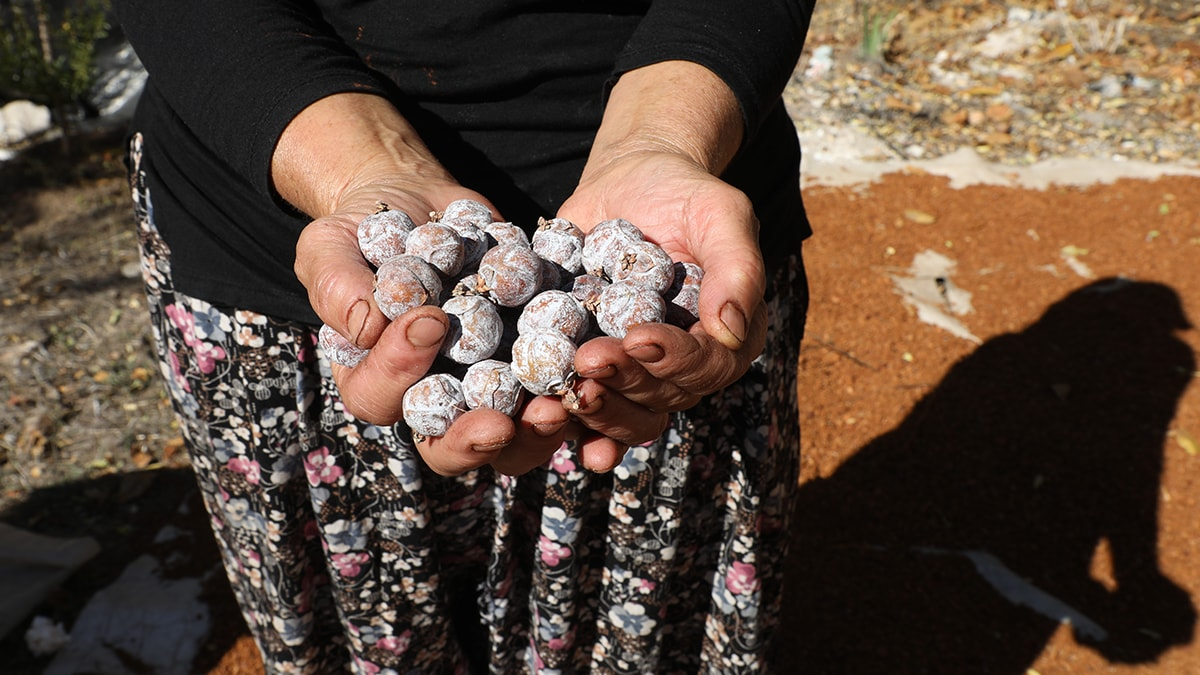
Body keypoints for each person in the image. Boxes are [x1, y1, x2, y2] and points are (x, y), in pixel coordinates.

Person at [113, 1, 814, 672]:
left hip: (677, 205)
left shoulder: (626, 290)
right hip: (275, 221)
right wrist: (360, 167)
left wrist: (661, 137)